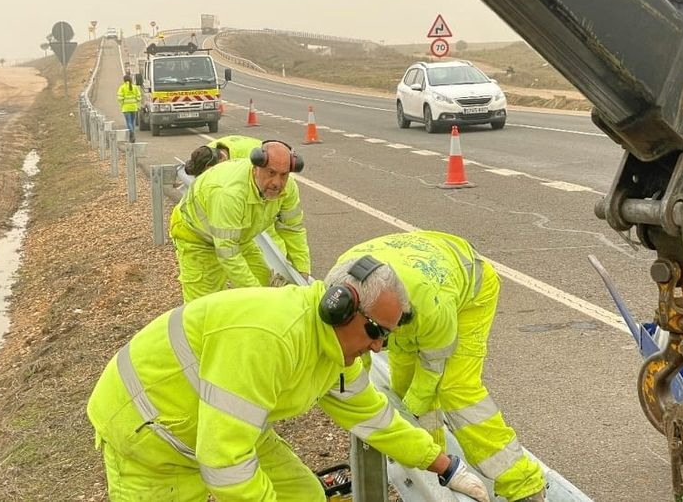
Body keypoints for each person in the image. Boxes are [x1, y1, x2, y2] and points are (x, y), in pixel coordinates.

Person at [86, 256, 490, 501]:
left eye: (387, 335)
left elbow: (376, 419)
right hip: (152, 435)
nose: (379, 348)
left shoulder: (334, 351)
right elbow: (225, 464)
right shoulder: (269, 340)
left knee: (302, 495)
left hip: (225, 428)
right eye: (375, 331)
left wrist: (446, 466)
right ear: (340, 307)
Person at [334, 231, 547, 502]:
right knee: (403, 382)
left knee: (455, 389)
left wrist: (403, 418)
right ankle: (436, 474)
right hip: (411, 277)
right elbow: (351, 361)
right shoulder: (343, 283)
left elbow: (430, 376)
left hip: (469, 293)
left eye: (381, 337)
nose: (377, 348)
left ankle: (523, 483)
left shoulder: (433, 310)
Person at [169, 140, 311, 302]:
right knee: (205, 308)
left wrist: (302, 270)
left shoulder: (288, 188)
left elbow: (292, 229)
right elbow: (228, 253)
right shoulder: (229, 193)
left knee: (265, 285)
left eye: (283, 175)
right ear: (256, 168)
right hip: (197, 239)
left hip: (240, 236)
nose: (277, 183)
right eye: (271, 173)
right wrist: (256, 296)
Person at [116, 74, 141, 143]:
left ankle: (132, 134)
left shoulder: (122, 87)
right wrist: (135, 101)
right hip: (134, 107)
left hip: (126, 108)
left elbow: (120, 97)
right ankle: (132, 136)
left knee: (128, 122)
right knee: (132, 122)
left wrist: (122, 103)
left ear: (124, 80)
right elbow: (139, 97)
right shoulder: (135, 87)